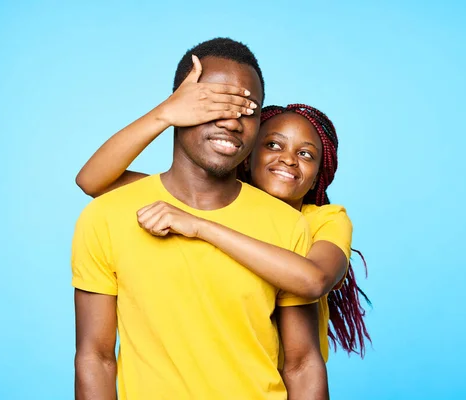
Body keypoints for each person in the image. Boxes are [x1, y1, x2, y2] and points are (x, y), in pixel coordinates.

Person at [71, 37, 328, 400]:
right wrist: (162, 113)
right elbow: (95, 359)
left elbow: (302, 364)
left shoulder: (286, 225)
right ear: (178, 105)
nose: (233, 122)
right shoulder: (108, 215)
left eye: (247, 110)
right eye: (212, 104)